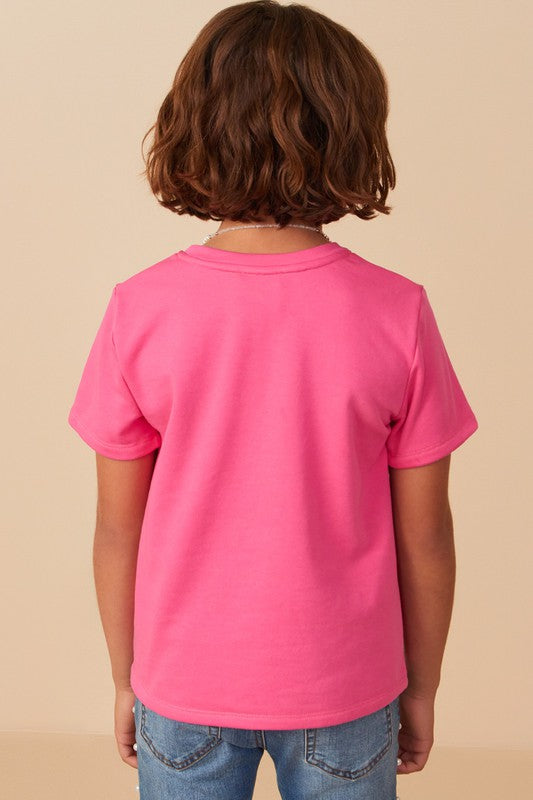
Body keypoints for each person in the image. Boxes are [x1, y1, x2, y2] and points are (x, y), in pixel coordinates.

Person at [67, 2, 479, 798]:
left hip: (182, 684)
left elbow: (119, 528)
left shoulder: (139, 309)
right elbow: (424, 535)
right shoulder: (396, 311)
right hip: (347, 689)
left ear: (192, 129)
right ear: (352, 136)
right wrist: (421, 686)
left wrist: (126, 676)